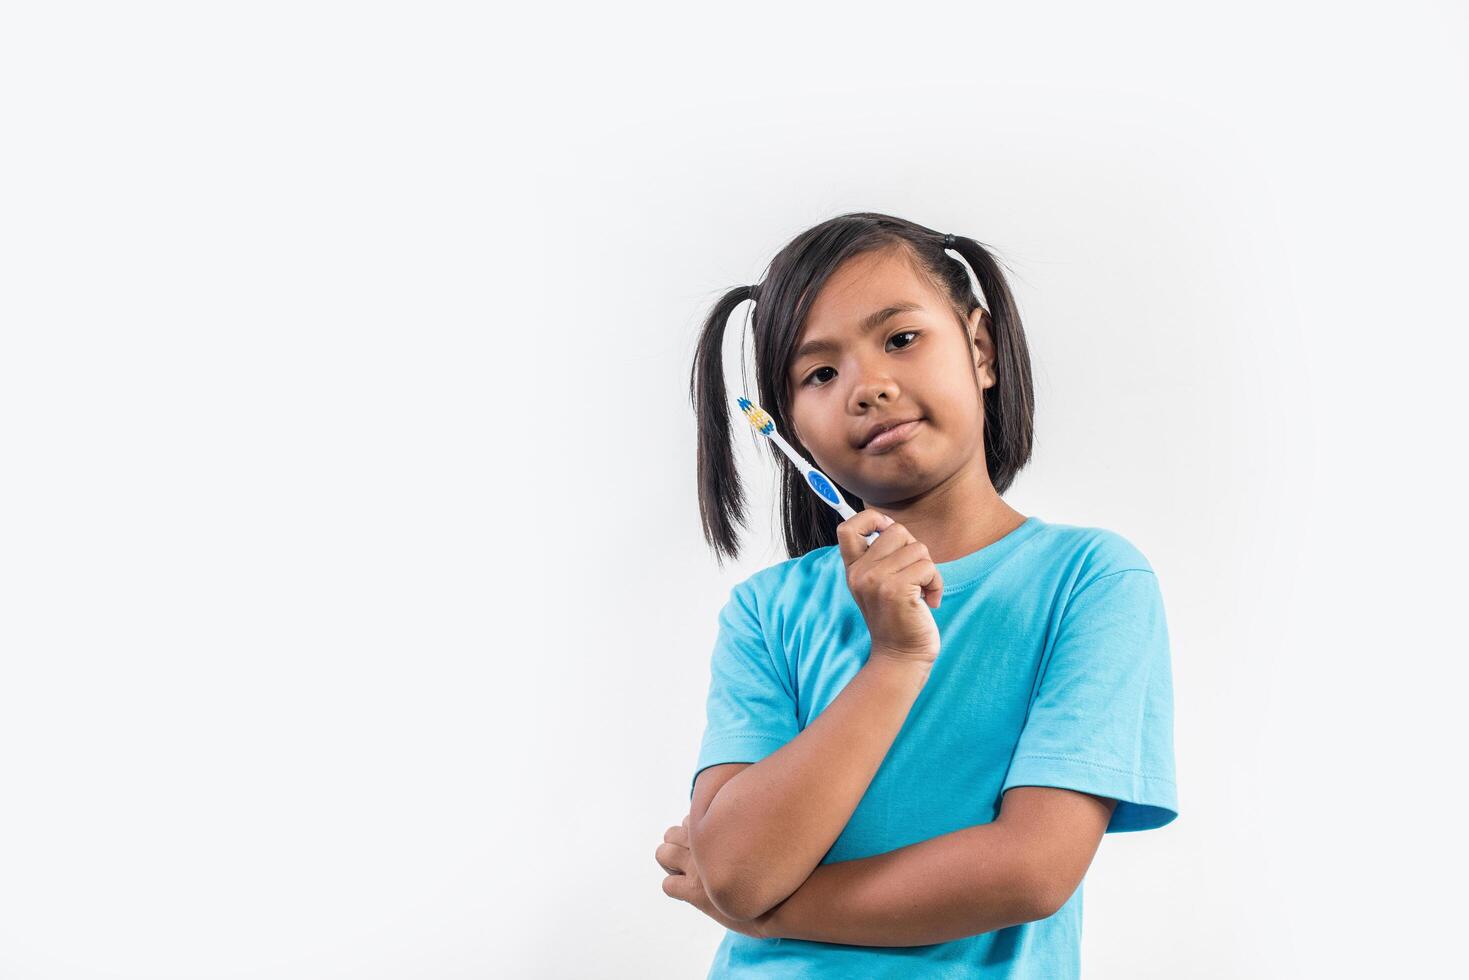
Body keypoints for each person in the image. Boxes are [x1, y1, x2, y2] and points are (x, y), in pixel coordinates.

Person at [656, 211, 1178, 977]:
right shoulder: (765, 611)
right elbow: (736, 867)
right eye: (819, 374)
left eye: (900, 339)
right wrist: (894, 660)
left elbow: (1029, 871)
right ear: (790, 427)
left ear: (979, 349)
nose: (868, 388)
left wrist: (765, 908)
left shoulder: (1090, 581)